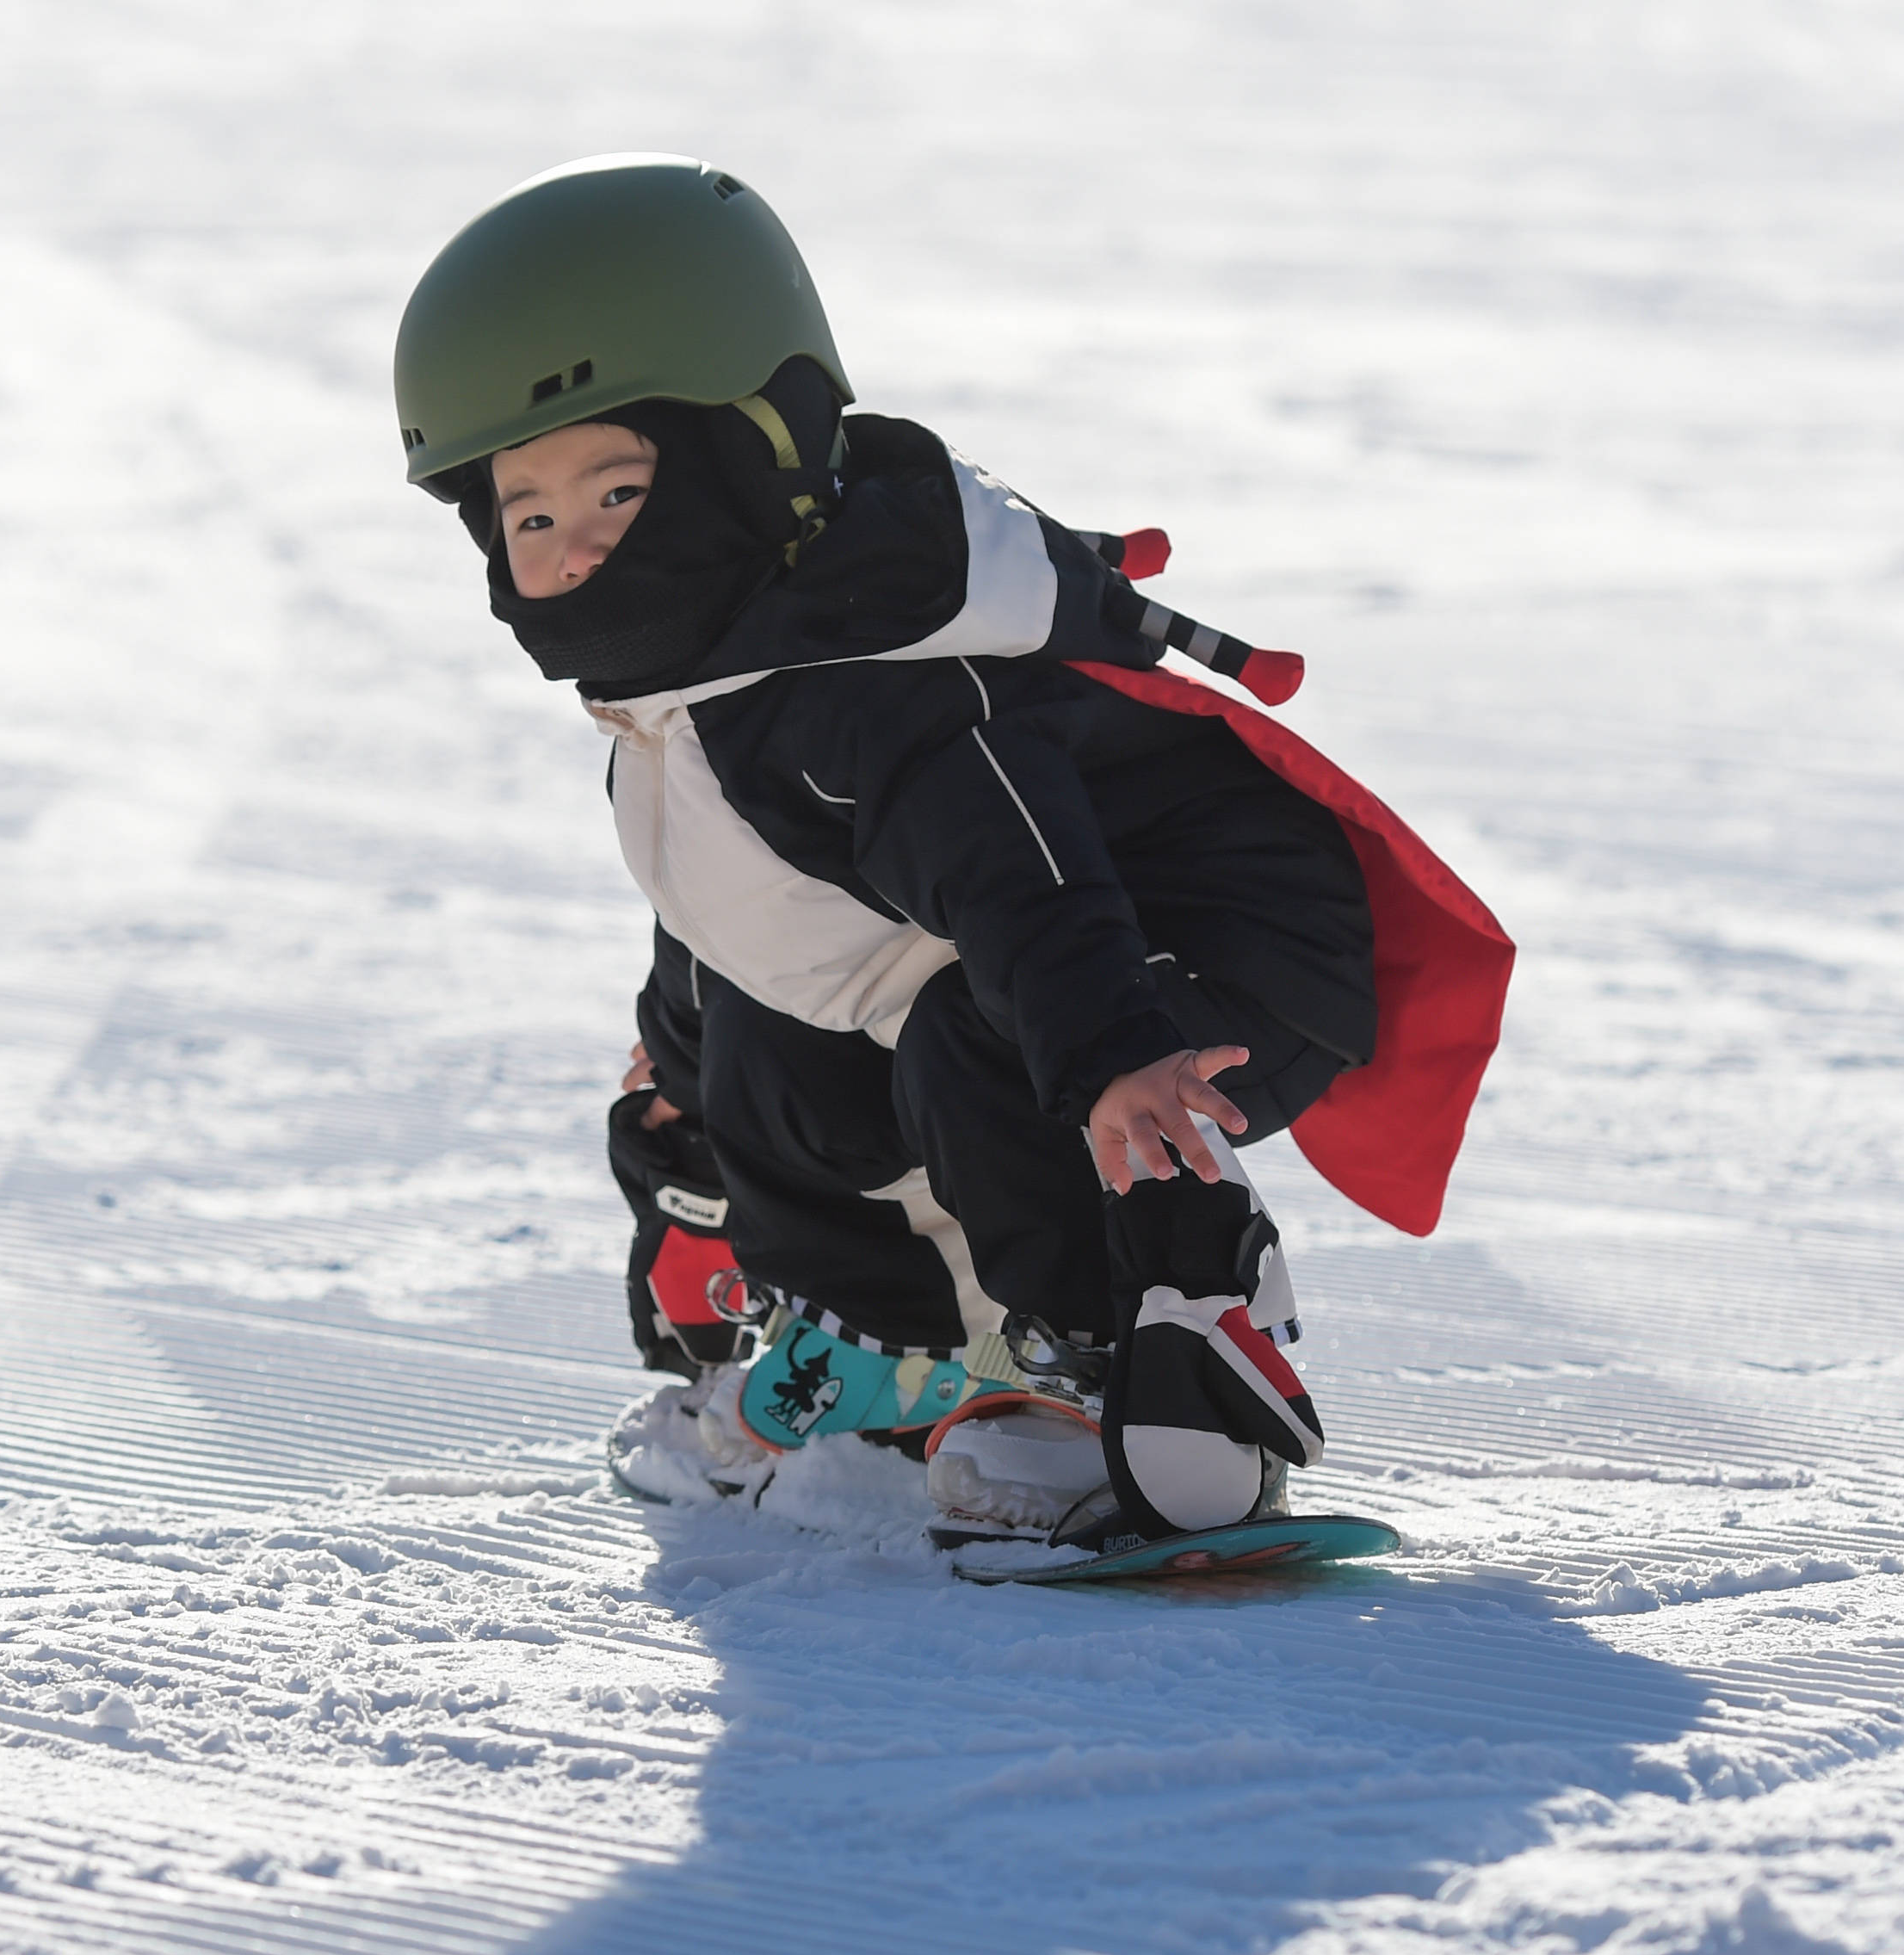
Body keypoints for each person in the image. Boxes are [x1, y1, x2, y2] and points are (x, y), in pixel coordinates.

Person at [394, 155, 1511, 1553]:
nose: (575, 552)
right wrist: (686, 1093)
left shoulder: (869, 681)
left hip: (1197, 968)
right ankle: (890, 1355)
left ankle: (1091, 1379)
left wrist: (1115, 1046)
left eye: (619, 492)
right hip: (1007, 955)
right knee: (767, 1045)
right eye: (531, 517)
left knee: (972, 1039)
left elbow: (1020, 879)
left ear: (756, 459)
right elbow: (739, 917)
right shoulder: (685, 701)